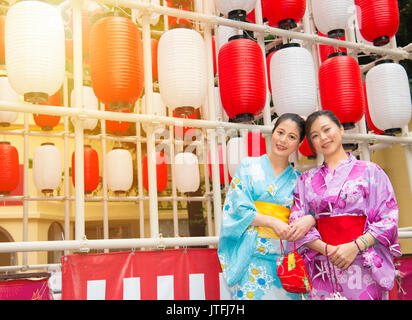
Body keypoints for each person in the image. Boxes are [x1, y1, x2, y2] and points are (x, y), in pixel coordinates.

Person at [287, 110, 401, 300]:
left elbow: (389, 217)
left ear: (340, 129)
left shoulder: (370, 171)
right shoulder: (306, 180)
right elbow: (296, 223)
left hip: (362, 263)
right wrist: (328, 249)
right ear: (312, 143)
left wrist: (355, 246)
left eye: (327, 130)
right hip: (323, 265)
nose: (323, 138)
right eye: (315, 135)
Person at [218, 113, 314, 300]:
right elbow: (237, 209)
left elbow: (310, 213)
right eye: (280, 132)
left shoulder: (298, 180)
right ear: (273, 132)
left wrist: (309, 219)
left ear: (299, 143)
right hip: (251, 259)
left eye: (292, 137)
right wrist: (272, 222)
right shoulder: (248, 167)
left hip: (285, 263)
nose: (283, 140)